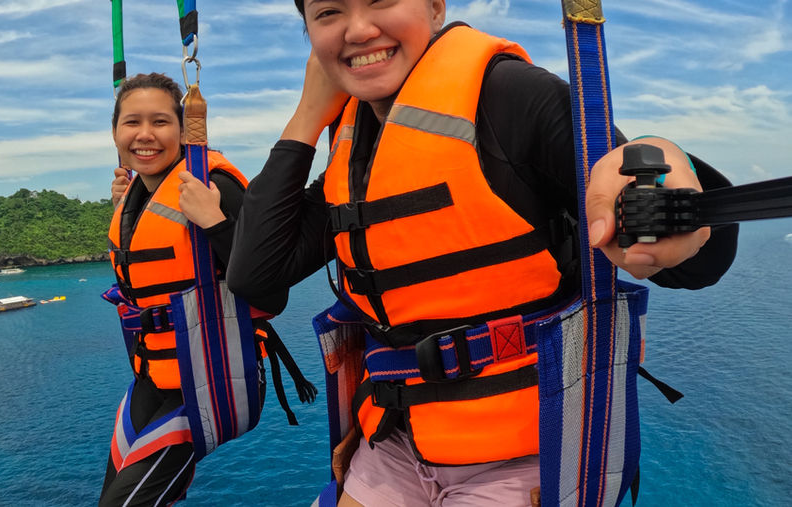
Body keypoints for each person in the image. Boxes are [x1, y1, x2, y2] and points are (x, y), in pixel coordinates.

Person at [226, 1, 738, 506]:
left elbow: (693, 259)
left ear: (434, 8)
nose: (358, 29)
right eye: (328, 13)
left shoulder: (510, 97)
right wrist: (309, 115)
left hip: (531, 447)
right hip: (398, 440)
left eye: (381, 0)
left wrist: (667, 185)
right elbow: (256, 274)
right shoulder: (355, 143)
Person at [100, 72, 311, 507]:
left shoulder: (216, 185)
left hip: (211, 378)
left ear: (183, 128)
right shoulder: (134, 195)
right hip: (152, 377)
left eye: (160, 122)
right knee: (112, 495)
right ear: (115, 132)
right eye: (131, 123)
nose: (144, 135)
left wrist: (215, 222)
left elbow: (271, 295)